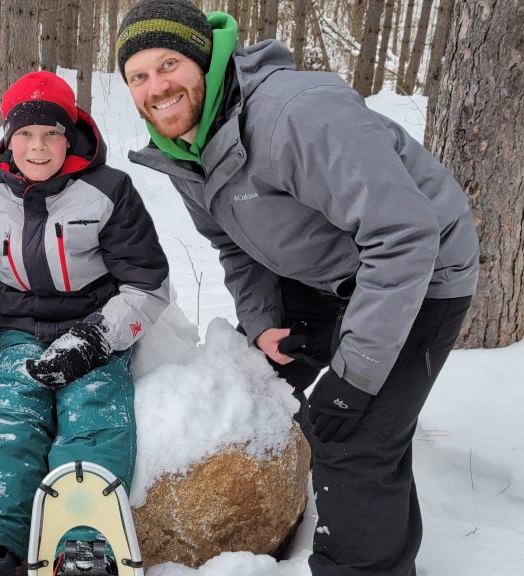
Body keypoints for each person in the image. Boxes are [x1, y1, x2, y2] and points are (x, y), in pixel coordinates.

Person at [116, 1, 480, 575]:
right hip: (322, 272)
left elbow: (406, 236)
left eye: (169, 65)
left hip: (420, 273)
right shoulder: (183, 146)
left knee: (352, 434)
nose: (157, 87)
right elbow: (235, 245)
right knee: (257, 385)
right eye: (139, 76)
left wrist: (356, 375)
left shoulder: (298, 115)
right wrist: (262, 324)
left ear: (205, 60)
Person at [0, 70, 171, 575]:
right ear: (8, 137)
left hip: (96, 324)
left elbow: (147, 283)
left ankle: (84, 541)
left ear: (70, 134)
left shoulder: (108, 190)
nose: (38, 145)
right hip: (19, 328)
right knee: (10, 414)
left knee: (94, 414)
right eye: (25, 133)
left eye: (52, 132)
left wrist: (96, 340)